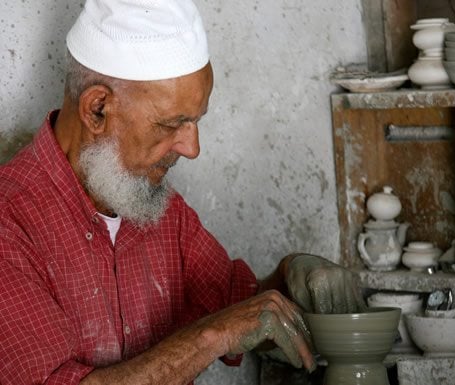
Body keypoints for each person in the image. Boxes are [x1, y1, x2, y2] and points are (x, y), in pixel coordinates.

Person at [0, 1, 364, 384]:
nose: (192, 148)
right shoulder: (10, 222)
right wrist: (212, 337)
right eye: (173, 123)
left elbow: (240, 312)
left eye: (195, 121)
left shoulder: (157, 207)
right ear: (97, 110)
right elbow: (223, 328)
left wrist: (292, 278)